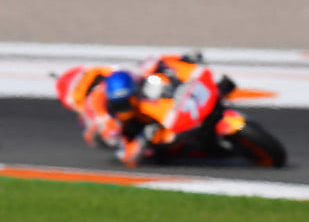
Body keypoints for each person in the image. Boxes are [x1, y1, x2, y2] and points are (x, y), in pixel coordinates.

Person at [61, 50, 205, 168]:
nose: (127, 104)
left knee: (158, 76)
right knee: (154, 145)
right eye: (123, 103)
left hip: (125, 92)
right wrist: (142, 139)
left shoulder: (118, 74)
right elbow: (127, 156)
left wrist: (183, 58)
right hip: (114, 128)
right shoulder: (105, 122)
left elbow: (154, 62)